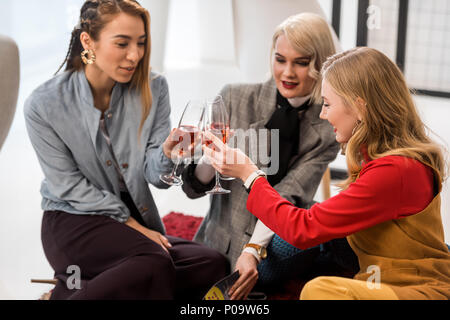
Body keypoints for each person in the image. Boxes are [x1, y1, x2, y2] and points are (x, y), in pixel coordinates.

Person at [203, 46, 450, 300]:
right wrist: (254, 248)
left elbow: (303, 228)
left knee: (318, 290)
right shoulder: (382, 160)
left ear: (360, 107)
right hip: (379, 279)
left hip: (416, 290)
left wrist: (249, 174)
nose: (322, 113)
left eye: (328, 104)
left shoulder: (396, 171)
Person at [24, 0, 228, 300]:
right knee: (154, 263)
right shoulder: (44, 104)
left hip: (132, 216)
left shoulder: (155, 88)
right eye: (122, 43)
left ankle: (83, 286)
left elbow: (155, 175)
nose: (135, 55)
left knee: (212, 264)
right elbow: (68, 186)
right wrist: (132, 225)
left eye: (141, 43)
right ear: (87, 41)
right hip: (73, 219)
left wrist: (169, 154)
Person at [182, 13, 358, 300]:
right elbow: (192, 189)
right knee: (322, 228)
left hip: (268, 247)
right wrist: (209, 158)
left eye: (301, 63)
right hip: (221, 245)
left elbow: (289, 195)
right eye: (280, 59)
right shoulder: (233, 98)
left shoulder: (328, 126)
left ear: (321, 65)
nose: (287, 73)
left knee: (319, 227)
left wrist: (253, 251)